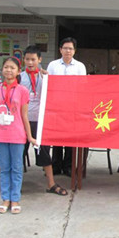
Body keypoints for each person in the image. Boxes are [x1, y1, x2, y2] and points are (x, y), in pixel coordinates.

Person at [0, 57, 35, 214]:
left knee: (16, 168)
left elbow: (24, 116)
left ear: (18, 71)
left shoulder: (22, 91)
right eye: (6, 67)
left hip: (17, 135)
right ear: (2, 70)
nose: (9, 70)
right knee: (4, 168)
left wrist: (29, 136)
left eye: (12, 68)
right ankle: (5, 199)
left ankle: (15, 199)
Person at [20, 46, 67, 196]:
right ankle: (16, 184)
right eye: (27, 59)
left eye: (33, 59)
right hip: (22, 120)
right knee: (19, 152)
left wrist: (49, 80)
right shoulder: (19, 77)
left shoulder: (45, 77)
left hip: (41, 121)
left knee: (45, 152)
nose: (30, 62)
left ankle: (51, 183)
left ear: (40, 60)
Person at [47, 37, 87, 177]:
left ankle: (69, 166)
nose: (68, 51)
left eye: (70, 48)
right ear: (60, 50)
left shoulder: (80, 66)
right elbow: (48, 85)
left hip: (73, 107)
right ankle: (56, 165)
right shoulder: (53, 65)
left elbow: (83, 87)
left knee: (70, 138)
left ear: (74, 51)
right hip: (56, 107)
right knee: (56, 138)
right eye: (65, 48)